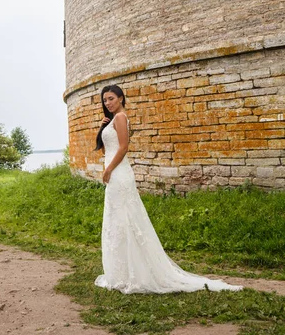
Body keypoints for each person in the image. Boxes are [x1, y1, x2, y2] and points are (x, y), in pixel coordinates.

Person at [94, 84, 243, 294]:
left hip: (117, 172)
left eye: (110, 98)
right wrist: (101, 129)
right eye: (105, 100)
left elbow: (124, 148)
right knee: (118, 220)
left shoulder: (120, 117)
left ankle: (133, 272)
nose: (107, 103)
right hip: (116, 172)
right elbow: (105, 149)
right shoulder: (112, 120)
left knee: (125, 219)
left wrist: (109, 169)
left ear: (120, 98)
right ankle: (122, 271)